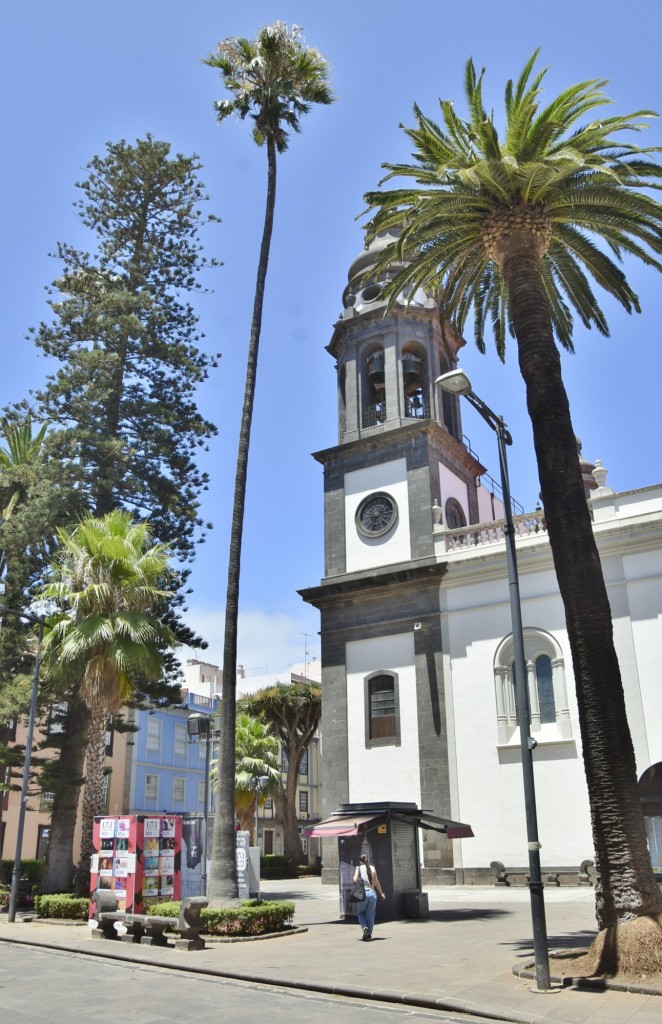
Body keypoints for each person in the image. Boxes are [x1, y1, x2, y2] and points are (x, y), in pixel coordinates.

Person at [352, 853, 386, 940]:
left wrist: (357, 880)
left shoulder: (358, 868)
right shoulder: (373, 868)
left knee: (360, 912)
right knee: (370, 915)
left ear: (360, 861)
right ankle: (369, 934)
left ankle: (364, 928)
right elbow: (377, 883)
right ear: (367, 860)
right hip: (372, 894)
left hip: (363, 894)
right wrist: (381, 893)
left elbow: (354, 880)